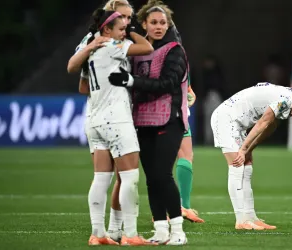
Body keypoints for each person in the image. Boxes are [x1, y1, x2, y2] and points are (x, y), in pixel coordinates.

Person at [68, 8, 155, 246]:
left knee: (101, 179)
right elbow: (147, 48)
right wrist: (135, 32)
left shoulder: (92, 50)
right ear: (106, 29)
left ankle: (98, 234)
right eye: (121, 28)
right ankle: (131, 233)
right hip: (116, 118)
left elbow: (82, 86)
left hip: (93, 119)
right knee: (130, 177)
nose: (124, 32)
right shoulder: (112, 46)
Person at [108, 0, 188, 245]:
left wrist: (131, 81)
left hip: (169, 120)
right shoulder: (135, 50)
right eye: (153, 22)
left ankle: (178, 231)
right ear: (143, 24)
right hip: (142, 120)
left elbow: (167, 84)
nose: (159, 27)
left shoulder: (175, 50)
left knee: (163, 174)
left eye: (163, 22)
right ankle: (161, 230)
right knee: (152, 178)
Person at [210, 82, 292, 230]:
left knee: (247, 166)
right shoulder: (285, 101)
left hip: (238, 124)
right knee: (237, 165)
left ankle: (251, 217)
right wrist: (243, 149)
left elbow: (270, 127)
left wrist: (249, 149)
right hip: (226, 119)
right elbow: (263, 123)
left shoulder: (289, 102)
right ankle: (240, 220)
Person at [176, 75, 205, 223]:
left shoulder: (146, 57)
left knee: (164, 160)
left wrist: (188, 90)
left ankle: (165, 209)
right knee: (185, 156)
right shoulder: (177, 56)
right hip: (174, 112)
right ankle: (181, 207)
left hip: (152, 113)